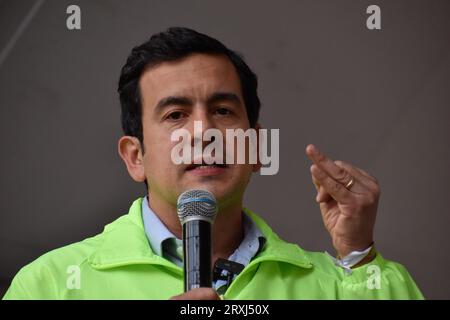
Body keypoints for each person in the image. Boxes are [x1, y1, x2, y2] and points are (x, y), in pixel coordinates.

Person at [3, 27, 423, 300]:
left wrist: (359, 256)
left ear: (256, 148)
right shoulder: (49, 285)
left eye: (223, 110)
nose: (203, 131)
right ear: (136, 158)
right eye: (175, 115)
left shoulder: (334, 287)